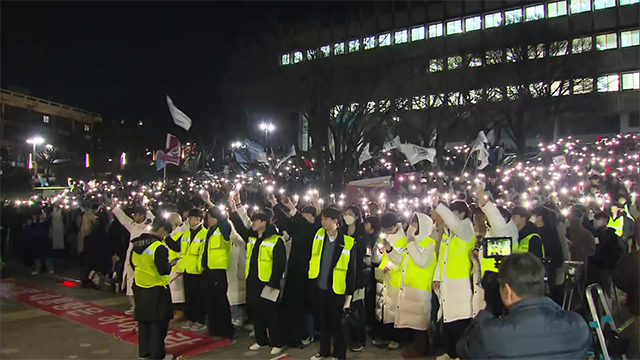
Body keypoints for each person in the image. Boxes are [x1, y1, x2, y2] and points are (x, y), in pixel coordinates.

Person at [456, 253, 591, 359]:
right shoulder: (578, 325)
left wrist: (491, 308)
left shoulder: (490, 334)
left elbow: (463, 350)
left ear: (507, 291)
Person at [229, 196, 286, 356]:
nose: (253, 223)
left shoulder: (276, 240)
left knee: (271, 314)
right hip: (253, 280)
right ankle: (261, 340)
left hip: (268, 282)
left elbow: (279, 264)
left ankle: (277, 342)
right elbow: (240, 226)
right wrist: (234, 208)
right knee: (256, 312)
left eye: (256, 221)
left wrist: (273, 283)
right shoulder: (253, 237)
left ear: (264, 222)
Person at [383, 212, 437, 358]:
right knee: (415, 322)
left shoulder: (429, 243)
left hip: (420, 288)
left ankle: (422, 349)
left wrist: (411, 243)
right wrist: (389, 250)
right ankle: (419, 347)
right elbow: (401, 261)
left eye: (415, 224)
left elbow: (421, 261)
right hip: (409, 286)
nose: (412, 227)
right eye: (412, 223)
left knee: (421, 322)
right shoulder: (412, 243)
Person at [309, 206, 356, 360]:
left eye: (325, 219)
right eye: (322, 218)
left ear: (335, 221)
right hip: (319, 286)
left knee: (337, 324)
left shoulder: (347, 242)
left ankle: (339, 354)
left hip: (337, 289)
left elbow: (351, 272)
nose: (322, 221)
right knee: (322, 322)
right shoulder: (319, 235)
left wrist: (349, 296)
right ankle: (324, 351)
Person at [432, 201, 475, 359]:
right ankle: (450, 353)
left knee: (459, 324)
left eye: (452, 213)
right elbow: (441, 259)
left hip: (460, 286)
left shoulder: (466, 229)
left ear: (462, 214)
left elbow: (455, 224)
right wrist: (437, 277)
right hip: (446, 285)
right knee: (447, 322)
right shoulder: (448, 236)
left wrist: (440, 206)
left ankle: (459, 355)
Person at [276, 195, 321, 348]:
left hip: (308, 275)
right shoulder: (298, 229)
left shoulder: (316, 231)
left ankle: (307, 334)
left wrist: (292, 207)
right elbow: (286, 222)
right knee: (291, 304)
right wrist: (275, 204)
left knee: (306, 307)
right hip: (294, 273)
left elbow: (303, 224)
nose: (304, 218)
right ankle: (291, 335)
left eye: (307, 216)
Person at [131, 217, 177, 360]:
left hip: (140, 287)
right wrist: (171, 264)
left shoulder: (137, 243)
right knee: (158, 323)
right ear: (162, 229)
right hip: (156, 288)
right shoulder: (159, 247)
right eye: (166, 232)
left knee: (144, 322)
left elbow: (133, 264)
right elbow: (163, 270)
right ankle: (158, 355)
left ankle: (145, 353)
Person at [111, 200, 155, 315]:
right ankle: (134, 306)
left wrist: (147, 210)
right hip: (131, 260)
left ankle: (143, 306)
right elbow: (123, 219)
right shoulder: (133, 226)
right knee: (130, 282)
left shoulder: (148, 227)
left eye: (136, 214)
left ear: (142, 215)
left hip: (143, 260)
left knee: (142, 284)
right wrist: (115, 208)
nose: (134, 217)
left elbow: (155, 220)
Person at [373, 212, 406, 349]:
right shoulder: (382, 238)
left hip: (396, 280)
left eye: (388, 229)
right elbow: (375, 259)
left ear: (395, 226)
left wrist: (389, 249)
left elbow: (400, 260)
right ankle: (383, 337)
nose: (386, 232)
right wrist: (380, 251)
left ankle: (396, 339)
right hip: (383, 278)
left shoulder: (403, 240)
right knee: (382, 310)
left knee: (395, 312)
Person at [201, 207, 234, 340]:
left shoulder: (223, 229)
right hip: (209, 269)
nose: (208, 220)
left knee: (220, 301)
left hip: (219, 270)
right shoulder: (210, 232)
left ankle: (225, 330)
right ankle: (214, 328)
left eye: (211, 217)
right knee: (211, 300)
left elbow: (225, 223)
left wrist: (210, 203)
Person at [177, 209, 208, 332]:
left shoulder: (204, 234)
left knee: (199, 297)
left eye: (191, 218)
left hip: (199, 271)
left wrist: (201, 267)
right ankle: (191, 318)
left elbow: (203, 253)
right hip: (187, 269)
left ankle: (200, 320)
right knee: (189, 296)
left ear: (199, 219)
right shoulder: (185, 234)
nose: (189, 220)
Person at [342, 205, 367, 352]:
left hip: (357, 275)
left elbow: (362, 252)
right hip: (344, 274)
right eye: (345, 214)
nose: (347, 217)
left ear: (357, 217)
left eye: (350, 214)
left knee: (358, 307)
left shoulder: (361, 232)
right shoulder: (343, 231)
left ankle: (360, 339)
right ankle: (348, 337)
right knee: (346, 307)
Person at [530, 206, 565, 303]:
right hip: (550, 271)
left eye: (534, 215)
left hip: (546, 272)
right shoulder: (552, 230)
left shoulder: (542, 234)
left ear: (540, 217)